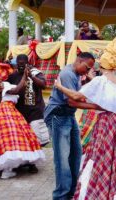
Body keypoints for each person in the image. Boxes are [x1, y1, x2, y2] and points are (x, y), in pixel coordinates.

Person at [54, 38, 116, 199]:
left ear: (102, 64)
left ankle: (99, 192)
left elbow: (76, 95)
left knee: (101, 158)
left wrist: (59, 86)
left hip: (106, 123)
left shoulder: (100, 80)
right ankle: (115, 192)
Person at [44, 52, 95, 200]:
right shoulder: (67, 74)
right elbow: (72, 100)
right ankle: (61, 196)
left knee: (76, 154)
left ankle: (72, 192)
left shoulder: (77, 74)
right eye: (86, 67)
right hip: (58, 115)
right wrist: (96, 106)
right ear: (79, 60)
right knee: (62, 158)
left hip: (68, 115)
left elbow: (78, 94)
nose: (87, 72)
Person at [0, 66, 45, 179]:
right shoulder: (2, 85)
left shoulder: (0, 85)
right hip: (7, 112)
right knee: (10, 140)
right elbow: (16, 90)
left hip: (4, 112)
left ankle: (8, 168)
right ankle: (7, 170)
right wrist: (25, 76)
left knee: (1, 141)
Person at [7, 54, 50, 154]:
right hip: (19, 113)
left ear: (28, 63)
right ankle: (26, 161)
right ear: (16, 64)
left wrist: (31, 76)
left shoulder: (35, 72)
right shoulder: (12, 76)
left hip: (35, 111)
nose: (20, 66)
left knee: (36, 137)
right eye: (19, 64)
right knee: (23, 139)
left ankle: (33, 163)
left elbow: (43, 85)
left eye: (23, 64)